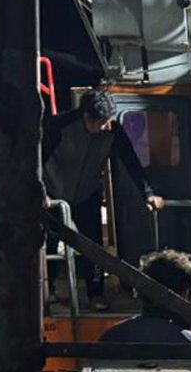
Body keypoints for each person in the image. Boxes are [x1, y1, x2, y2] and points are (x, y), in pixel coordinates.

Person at [42, 88, 165, 311]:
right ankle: (48, 290)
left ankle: (96, 293)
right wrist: (42, 194)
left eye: (109, 121)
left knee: (94, 249)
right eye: (102, 122)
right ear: (86, 118)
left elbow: (131, 162)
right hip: (53, 193)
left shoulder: (113, 131)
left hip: (86, 194)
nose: (107, 127)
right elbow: (35, 162)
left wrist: (148, 193)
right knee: (48, 243)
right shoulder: (59, 126)